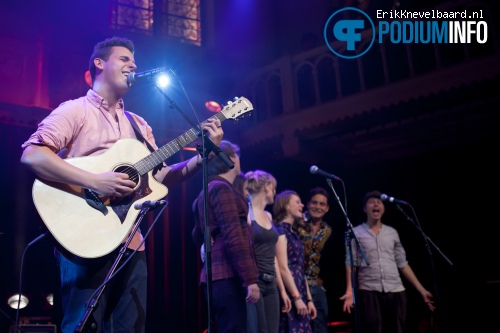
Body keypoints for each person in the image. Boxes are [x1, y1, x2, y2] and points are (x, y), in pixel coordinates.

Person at [19, 36, 223, 333]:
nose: (133, 65)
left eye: (135, 61)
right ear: (100, 64)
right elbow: (33, 155)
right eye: (125, 59)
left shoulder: (139, 124)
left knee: (131, 327)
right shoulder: (75, 110)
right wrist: (96, 180)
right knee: (84, 325)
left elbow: (161, 177)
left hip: (131, 240)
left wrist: (203, 156)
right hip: (84, 233)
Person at [339, 190, 435, 333]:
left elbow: (402, 263)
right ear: (365, 208)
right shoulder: (356, 232)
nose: (376, 204)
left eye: (379, 202)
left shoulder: (392, 233)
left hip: (395, 289)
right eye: (371, 202)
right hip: (369, 289)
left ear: (383, 208)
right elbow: (351, 264)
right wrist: (349, 291)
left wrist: (421, 290)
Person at [191, 140, 260, 333]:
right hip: (227, 276)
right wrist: (250, 279)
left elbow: (197, 235)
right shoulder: (222, 189)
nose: (239, 161)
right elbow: (234, 236)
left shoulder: (207, 190)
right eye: (237, 156)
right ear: (230, 158)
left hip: (215, 277)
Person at [245, 170, 292, 333]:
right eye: (274, 188)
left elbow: (273, 257)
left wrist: (283, 291)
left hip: (271, 282)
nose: (275, 192)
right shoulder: (247, 214)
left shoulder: (268, 216)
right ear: (266, 186)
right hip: (255, 281)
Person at [274, 190, 317, 333]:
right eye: (297, 202)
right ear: (286, 206)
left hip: (300, 289)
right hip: (290, 291)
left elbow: (300, 269)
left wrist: (309, 300)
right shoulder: (280, 232)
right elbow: (283, 267)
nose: (302, 205)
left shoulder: (294, 234)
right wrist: (296, 297)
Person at [294, 187, 332, 333]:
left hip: (316, 287)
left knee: (320, 327)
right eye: (315, 203)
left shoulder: (327, 230)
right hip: (296, 285)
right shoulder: (296, 222)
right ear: (308, 204)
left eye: (322, 204)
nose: (318, 207)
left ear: (327, 208)